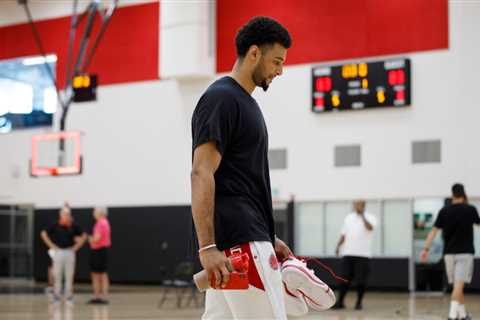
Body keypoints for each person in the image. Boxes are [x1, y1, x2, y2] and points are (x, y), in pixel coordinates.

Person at [421, 183, 480, 320]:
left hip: (448, 254)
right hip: (465, 253)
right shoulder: (470, 209)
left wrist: (425, 249)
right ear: (464, 194)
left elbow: (433, 231)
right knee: (458, 286)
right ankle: (452, 316)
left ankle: (463, 314)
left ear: (452, 194)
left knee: (457, 286)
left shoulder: (444, 211)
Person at [333, 200, 377, 310]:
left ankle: (359, 302)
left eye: (359, 205)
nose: (357, 206)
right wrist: (338, 246)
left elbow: (370, 228)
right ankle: (340, 302)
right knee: (343, 278)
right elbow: (344, 234)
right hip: (348, 253)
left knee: (361, 281)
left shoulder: (370, 217)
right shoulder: (349, 217)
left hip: (363, 254)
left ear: (363, 206)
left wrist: (362, 216)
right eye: (355, 204)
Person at [40, 205, 87, 304]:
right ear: (61, 215)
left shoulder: (73, 225)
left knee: (69, 275)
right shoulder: (56, 224)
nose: (66, 216)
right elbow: (43, 234)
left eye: (68, 214)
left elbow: (84, 235)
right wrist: (52, 246)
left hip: (69, 252)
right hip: (58, 252)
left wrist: (76, 247)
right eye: (65, 214)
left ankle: (69, 296)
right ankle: (56, 296)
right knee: (57, 275)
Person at [88, 207, 112, 305]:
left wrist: (89, 238)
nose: (93, 213)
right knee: (97, 274)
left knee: (100, 274)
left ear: (100, 213)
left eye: (95, 212)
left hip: (99, 250)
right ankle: (98, 296)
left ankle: (102, 297)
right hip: (100, 250)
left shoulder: (101, 223)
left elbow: (96, 239)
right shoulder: (104, 222)